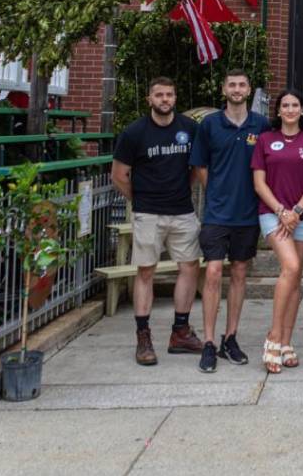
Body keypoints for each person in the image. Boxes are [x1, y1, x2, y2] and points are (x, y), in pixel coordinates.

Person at [111, 78, 203, 366]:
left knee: (189, 267)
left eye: (169, 94)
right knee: (146, 272)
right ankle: (143, 335)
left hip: (182, 211)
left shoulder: (189, 129)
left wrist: (180, 190)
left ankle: (180, 331)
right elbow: (119, 175)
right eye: (159, 95)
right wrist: (140, 201)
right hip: (148, 212)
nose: (164, 99)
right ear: (149, 99)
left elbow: (195, 168)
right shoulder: (134, 133)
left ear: (175, 98)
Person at [189, 69, 271, 373]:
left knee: (239, 273)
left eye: (242, 85)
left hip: (247, 214)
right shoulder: (210, 124)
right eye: (232, 85)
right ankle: (208, 342)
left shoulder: (260, 125)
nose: (237, 89)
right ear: (224, 89)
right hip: (216, 214)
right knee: (212, 273)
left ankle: (230, 338)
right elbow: (199, 165)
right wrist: (217, 192)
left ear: (249, 89)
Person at [251, 89, 303, 373]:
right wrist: (281, 211)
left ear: (302, 110)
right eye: (285, 105)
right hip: (272, 215)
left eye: (295, 105)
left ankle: (288, 342)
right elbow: (259, 183)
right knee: (289, 267)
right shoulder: (266, 139)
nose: (290, 109)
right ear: (278, 111)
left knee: (296, 278)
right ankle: (274, 337)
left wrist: (297, 211)